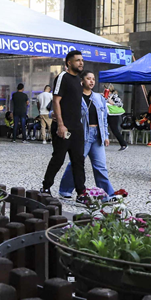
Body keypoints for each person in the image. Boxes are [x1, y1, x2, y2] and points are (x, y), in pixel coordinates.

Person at [58, 71, 115, 199]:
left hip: (97, 135)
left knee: (101, 166)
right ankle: (65, 189)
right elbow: (61, 110)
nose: (91, 81)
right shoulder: (75, 97)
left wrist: (105, 135)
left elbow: (104, 118)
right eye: (88, 78)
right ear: (82, 81)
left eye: (93, 79)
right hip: (81, 135)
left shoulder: (99, 98)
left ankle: (107, 194)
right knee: (76, 163)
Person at [42, 51, 87, 200]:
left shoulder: (78, 80)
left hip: (77, 127)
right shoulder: (63, 77)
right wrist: (61, 125)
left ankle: (81, 193)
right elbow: (56, 101)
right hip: (64, 127)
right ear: (69, 63)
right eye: (77, 60)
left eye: (82, 60)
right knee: (59, 158)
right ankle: (46, 187)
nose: (81, 63)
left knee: (78, 160)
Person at [104, 85, 128, 151]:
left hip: (113, 115)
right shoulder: (105, 96)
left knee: (114, 130)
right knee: (102, 128)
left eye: (105, 88)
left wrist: (113, 103)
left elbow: (120, 104)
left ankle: (123, 144)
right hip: (107, 114)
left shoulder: (114, 96)